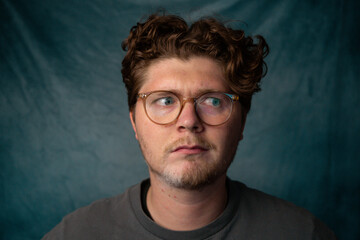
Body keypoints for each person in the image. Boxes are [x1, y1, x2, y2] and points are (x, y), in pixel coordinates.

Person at [43, 12, 336, 239]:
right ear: (134, 122)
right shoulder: (74, 235)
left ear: (242, 121)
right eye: (165, 101)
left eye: (213, 101)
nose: (188, 121)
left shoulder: (303, 234)